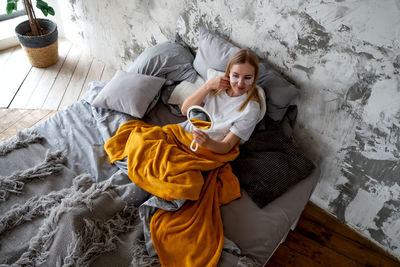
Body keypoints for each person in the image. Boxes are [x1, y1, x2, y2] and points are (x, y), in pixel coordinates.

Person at [181, 49, 262, 154]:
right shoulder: (216, 85)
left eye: (247, 78)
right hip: (184, 132)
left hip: (205, 148)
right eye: (236, 76)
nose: (240, 84)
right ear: (229, 73)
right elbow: (185, 110)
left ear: (254, 78)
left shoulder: (251, 109)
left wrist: (208, 142)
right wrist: (207, 86)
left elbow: (227, 146)